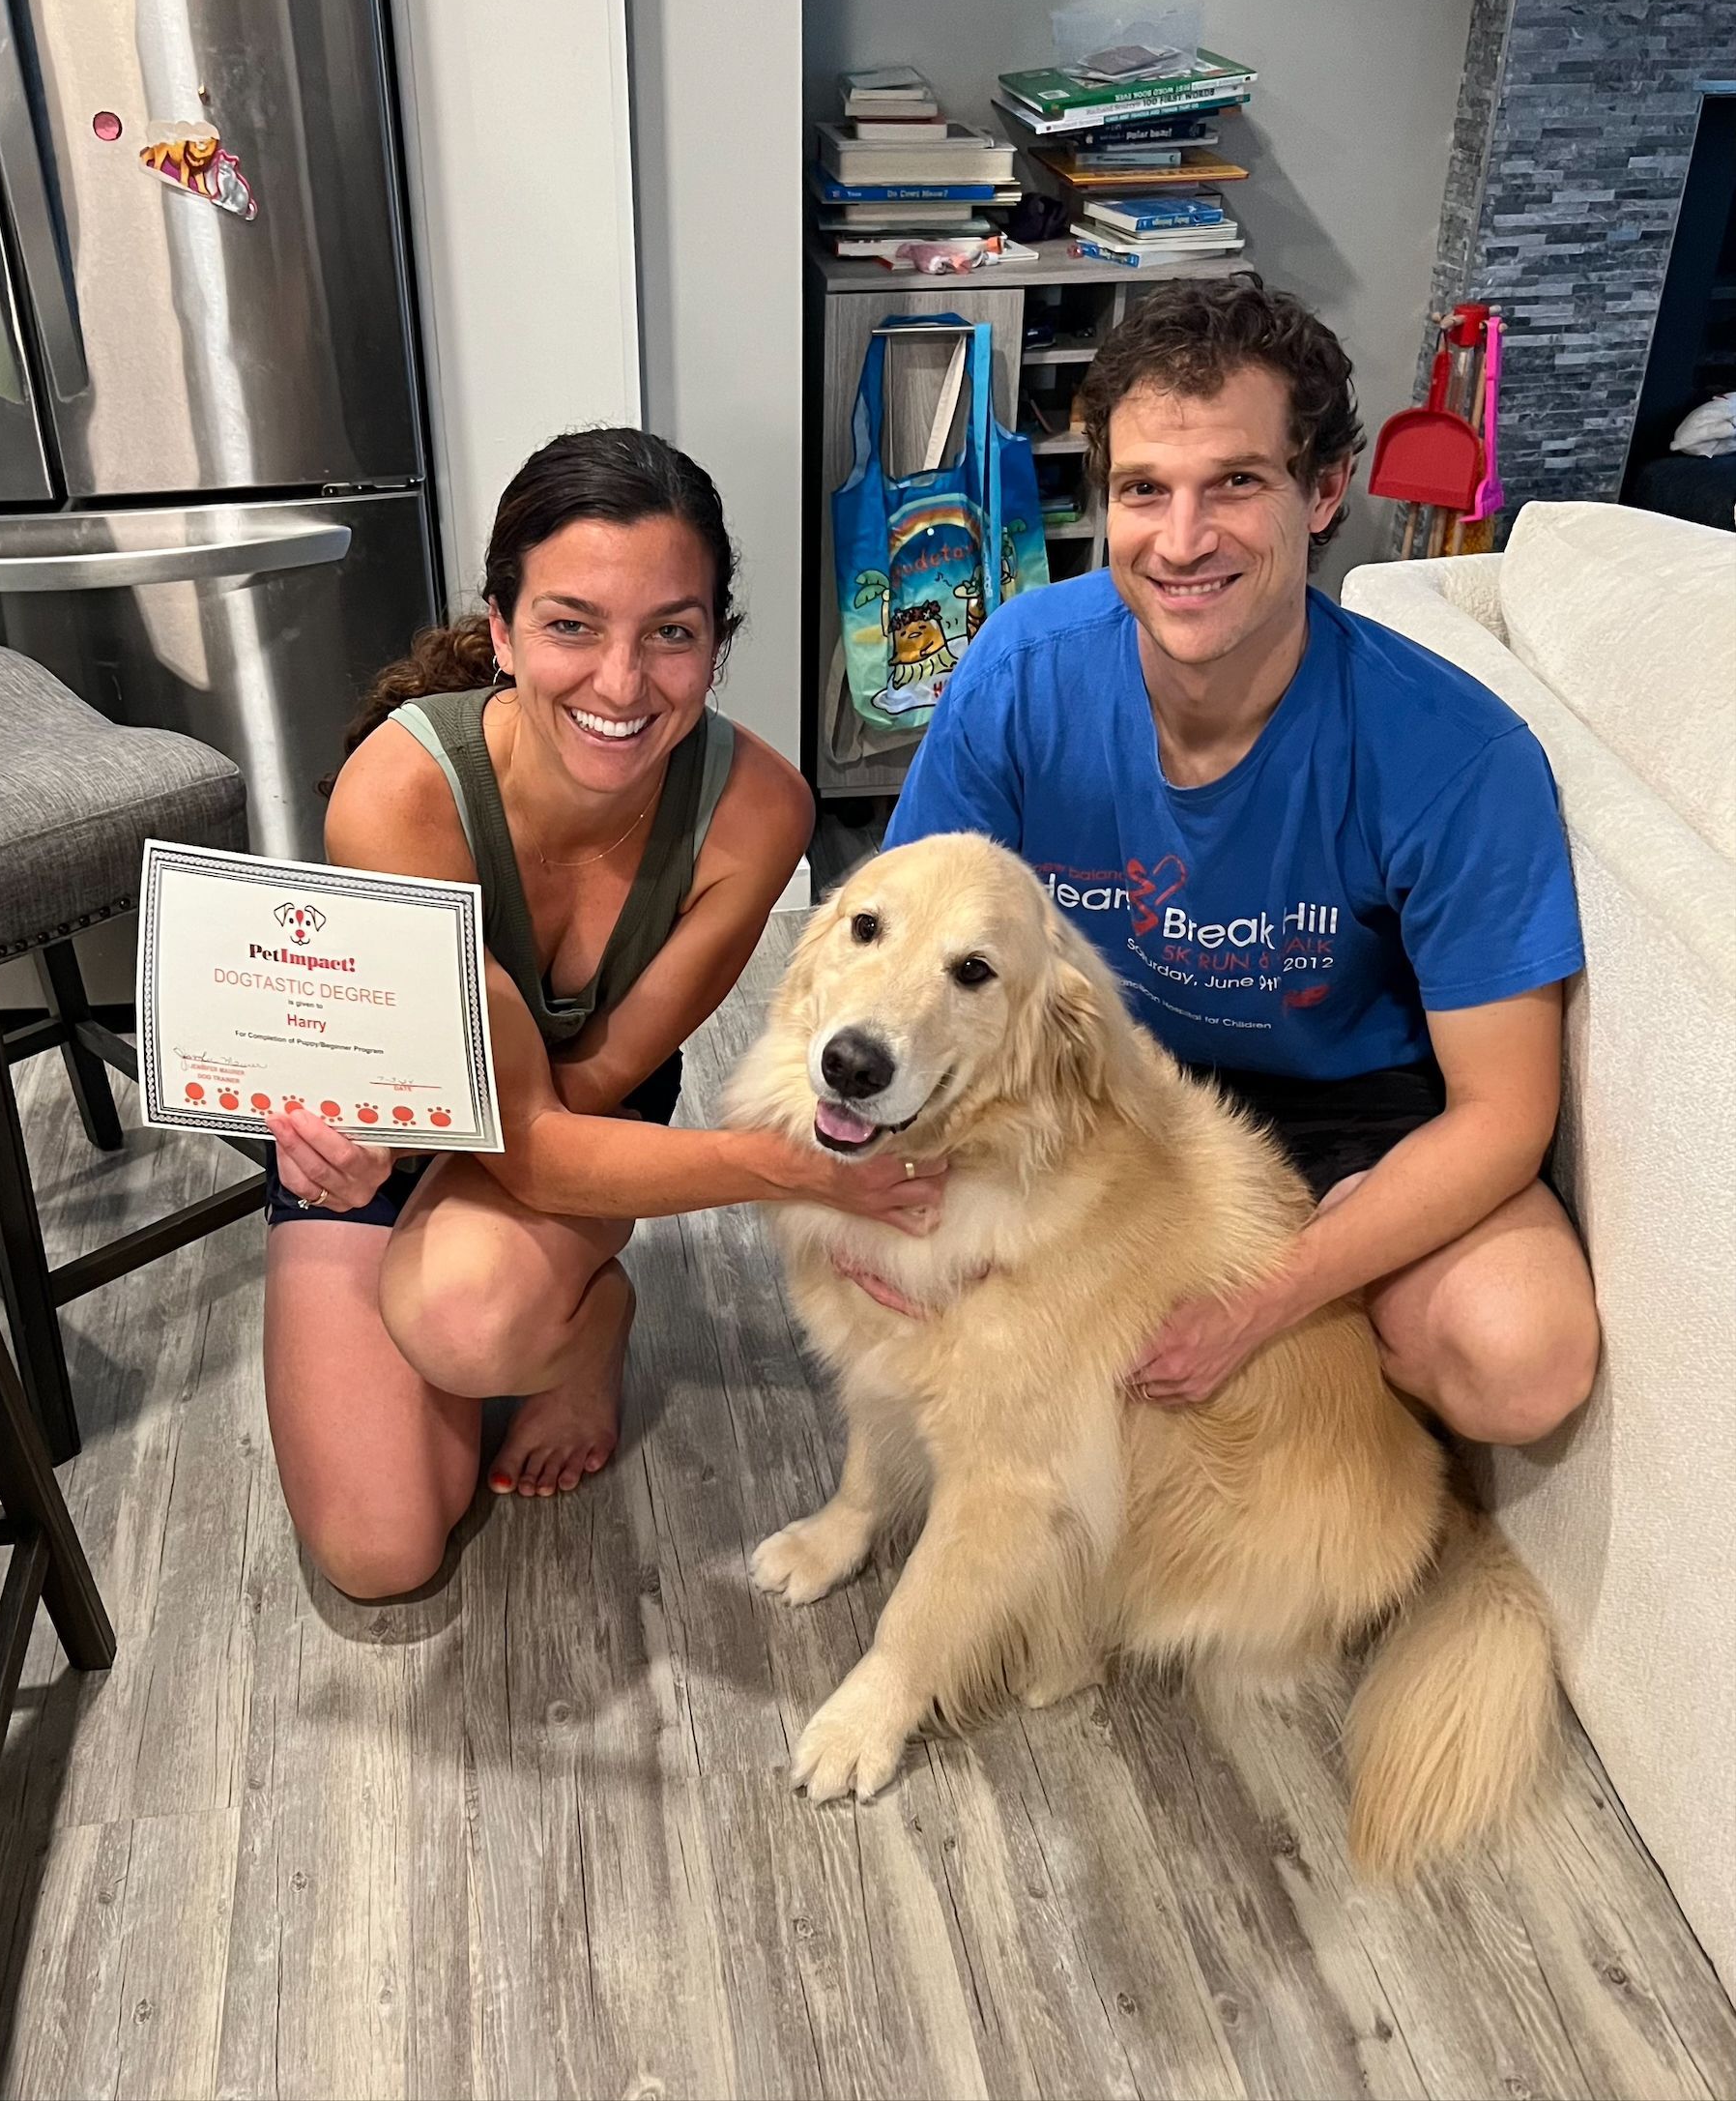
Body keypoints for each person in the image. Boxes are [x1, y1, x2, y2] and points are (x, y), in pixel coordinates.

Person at [883, 279, 1599, 1445]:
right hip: (1103, 1087)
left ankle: (1336, 1379)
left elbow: (1504, 1112)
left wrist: (1267, 1293)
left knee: (1519, 1357)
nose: (1180, 540)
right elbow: (907, 959)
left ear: (1324, 492)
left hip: (1346, 1116)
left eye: (1235, 483)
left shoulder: (1456, 756)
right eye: (1141, 491)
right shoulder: (1022, 669)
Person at [263, 429, 941, 1599]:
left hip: (574, 1104)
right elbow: (493, 1125)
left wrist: (508, 1170)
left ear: (716, 647)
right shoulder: (399, 791)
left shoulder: (757, 810)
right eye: (572, 624)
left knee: (468, 1319)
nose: (622, 684)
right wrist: (788, 1168)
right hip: (393, 1118)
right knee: (381, 1556)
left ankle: (582, 1313)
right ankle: (555, 1293)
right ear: (502, 631)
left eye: (670, 633)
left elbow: (589, 1084)